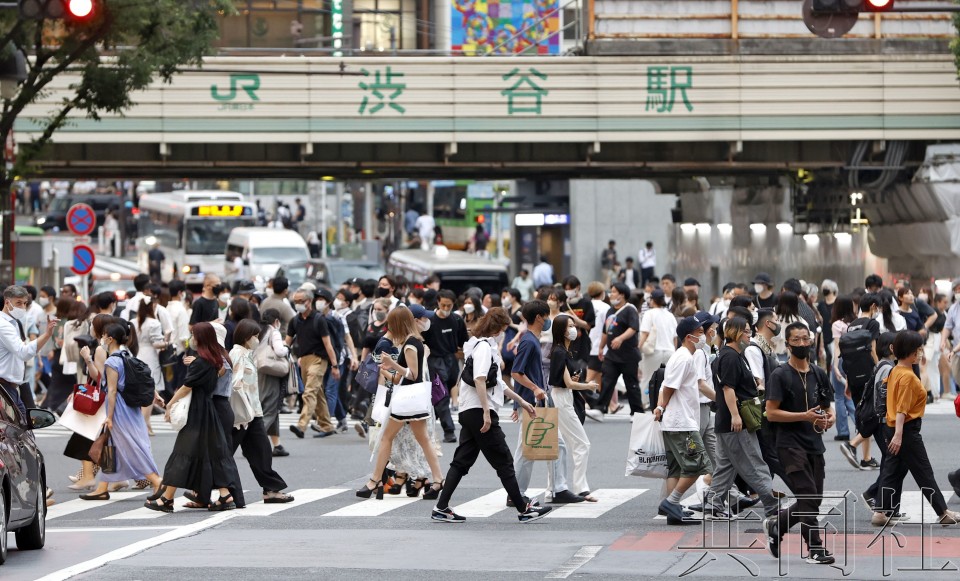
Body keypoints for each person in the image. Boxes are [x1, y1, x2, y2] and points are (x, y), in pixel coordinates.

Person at [431, 308, 553, 524]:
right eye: (503, 330)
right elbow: (480, 379)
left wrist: (522, 401)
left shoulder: (477, 345)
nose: (503, 334)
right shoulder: (485, 348)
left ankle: (441, 507)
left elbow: (498, 382)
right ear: (496, 328)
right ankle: (523, 508)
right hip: (479, 411)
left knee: (461, 461)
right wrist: (487, 413)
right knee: (503, 460)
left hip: (470, 410)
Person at [147, 322, 243, 512]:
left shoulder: (202, 361)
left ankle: (167, 499)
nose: (191, 338)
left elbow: (186, 387)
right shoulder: (216, 360)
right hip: (208, 411)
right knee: (212, 455)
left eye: (193, 335)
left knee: (182, 454)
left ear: (201, 338)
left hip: (198, 413)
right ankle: (224, 495)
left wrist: (170, 404)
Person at [763, 322, 836, 564]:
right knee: (807, 495)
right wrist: (803, 416)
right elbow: (771, 413)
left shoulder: (819, 373)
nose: (803, 343)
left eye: (806, 339)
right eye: (797, 340)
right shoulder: (780, 374)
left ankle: (777, 524)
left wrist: (830, 418)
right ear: (788, 344)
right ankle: (815, 548)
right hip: (788, 444)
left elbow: (826, 407)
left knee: (813, 499)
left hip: (814, 444)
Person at [356, 306, 445, 500]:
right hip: (412, 401)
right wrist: (387, 370)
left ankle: (375, 480)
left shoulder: (411, 344)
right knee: (422, 441)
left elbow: (411, 374)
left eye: (392, 324)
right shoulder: (414, 342)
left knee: (386, 438)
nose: (390, 328)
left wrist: (392, 363)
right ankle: (437, 480)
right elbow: (401, 378)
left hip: (407, 401)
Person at [873, 331, 960, 526]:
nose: (921, 353)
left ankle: (880, 511)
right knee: (923, 471)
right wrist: (898, 434)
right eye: (919, 349)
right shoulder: (908, 377)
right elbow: (903, 408)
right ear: (912, 352)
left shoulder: (895, 370)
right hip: (905, 429)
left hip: (892, 426)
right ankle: (942, 511)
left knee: (891, 470)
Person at [703, 317, 779, 520]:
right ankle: (772, 504)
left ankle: (714, 504)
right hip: (735, 421)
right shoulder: (729, 357)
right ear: (735, 333)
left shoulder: (736, 354)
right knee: (755, 462)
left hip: (729, 421)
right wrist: (736, 416)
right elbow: (728, 389)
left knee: (725, 467)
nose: (749, 334)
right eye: (746, 331)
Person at [79, 322, 164, 501]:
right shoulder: (127, 355)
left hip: (118, 409)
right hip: (130, 407)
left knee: (130, 446)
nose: (101, 338)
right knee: (111, 447)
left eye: (103, 335)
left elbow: (112, 390)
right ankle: (102, 487)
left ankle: (156, 481)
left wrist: (109, 417)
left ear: (110, 339)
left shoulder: (112, 361)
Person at [510, 300, 583, 505]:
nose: (549, 319)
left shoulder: (532, 339)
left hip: (536, 400)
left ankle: (559, 489)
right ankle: (516, 493)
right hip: (531, 402)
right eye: (547, 315)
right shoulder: (528, 341)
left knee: (555, 444)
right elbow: (516, 372)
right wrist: (533, 390)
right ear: (539, 317)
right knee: (527, 450)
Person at [654, 316, 714, 525]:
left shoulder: (684, 356)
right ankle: (672, 502)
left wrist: (661, 407)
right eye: (699, 332)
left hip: (676, 421)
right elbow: (669, 386)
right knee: (699, 465)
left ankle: (673, 510)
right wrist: (661, 406)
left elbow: (666, 386)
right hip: (682, 423)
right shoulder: (684, 358)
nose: (703, 335)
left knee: (677, 468)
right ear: (689, 337)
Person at [229, 319, 293, 503]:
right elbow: (235, 385)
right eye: (255, 336)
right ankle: (203, 491)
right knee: (224, 454)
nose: (258, 339)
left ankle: (271, 489)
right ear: (246, 337)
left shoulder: (248, 353)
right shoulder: (238, 354)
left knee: (261, 451)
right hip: (242, 415)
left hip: (253, 413)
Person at [549, 314, 599, 501]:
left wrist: (574, 380)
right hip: (561, 399)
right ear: (561, 330)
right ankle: (581, 488)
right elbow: (567, 384)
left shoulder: (563, 351)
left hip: (563, 398)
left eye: (574, 326)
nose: (574, 330)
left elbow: (566, 380)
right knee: (581, 444)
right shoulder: (560, 352)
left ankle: (554, 489)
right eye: (570, 326)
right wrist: (588, 385)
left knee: (561, 445)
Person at [287, 288, 340, 439]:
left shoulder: (319, 319)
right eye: (295, 302)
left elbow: (328, 344)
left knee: (309, 391)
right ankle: (327, 425)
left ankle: (301, 425)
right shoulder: (295, 320)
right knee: (317, 393)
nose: (298, 304)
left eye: (301, 301)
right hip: (303, 360)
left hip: (319, 359)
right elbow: (287, 342)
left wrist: (334, 366)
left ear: (309, 301)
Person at [1, 286, 57, 420]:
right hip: (4, 387)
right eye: (18, 303)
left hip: (11, 387)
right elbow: (23, 352)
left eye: (25, 303)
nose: (22, 307)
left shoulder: (12, 323)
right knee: (17, 432)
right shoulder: (3, 325)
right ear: (7, 302)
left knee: (22, 430)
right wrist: (47, 334)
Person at [597, 283, 643, 415]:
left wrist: (620, 338)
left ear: (622, 295)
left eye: (614, 292)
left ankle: (636, 411)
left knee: (631, 384)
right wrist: (601, 347)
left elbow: (633, 328)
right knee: (607, 381)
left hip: (628, 355)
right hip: (612, 355)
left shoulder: (630, 310)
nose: (611, 295)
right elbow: (606, 331)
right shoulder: (610, 311)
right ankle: (600, 409)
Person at [134, 296, 170, 436]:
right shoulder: (153, 323)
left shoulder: (133, 322)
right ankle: (146, 422)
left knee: (140, 389)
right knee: (150, 389)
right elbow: (157, 343)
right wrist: (166, 343)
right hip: (150, 355)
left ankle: (142, 423)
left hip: (136, 354)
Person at [258, 309, 291, 457]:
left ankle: (277, 445)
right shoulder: (274, 332)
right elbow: (279, 351)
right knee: (270, 408)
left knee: (269, 408)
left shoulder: (260, 331)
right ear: (276, 321)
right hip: (272, 373)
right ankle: (253, 442)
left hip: (259, 371)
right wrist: (286, 348)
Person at [639, 289, 678, 398]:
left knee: (647, 379)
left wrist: (638, 347)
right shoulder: (670, 315)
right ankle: (666, 400)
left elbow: (645, 333)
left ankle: (645, 401)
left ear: (652, 300)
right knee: (668, 379)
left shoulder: (649, 313)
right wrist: (674, 352)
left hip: (653, 352)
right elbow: (675, 337)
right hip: (669, 352)